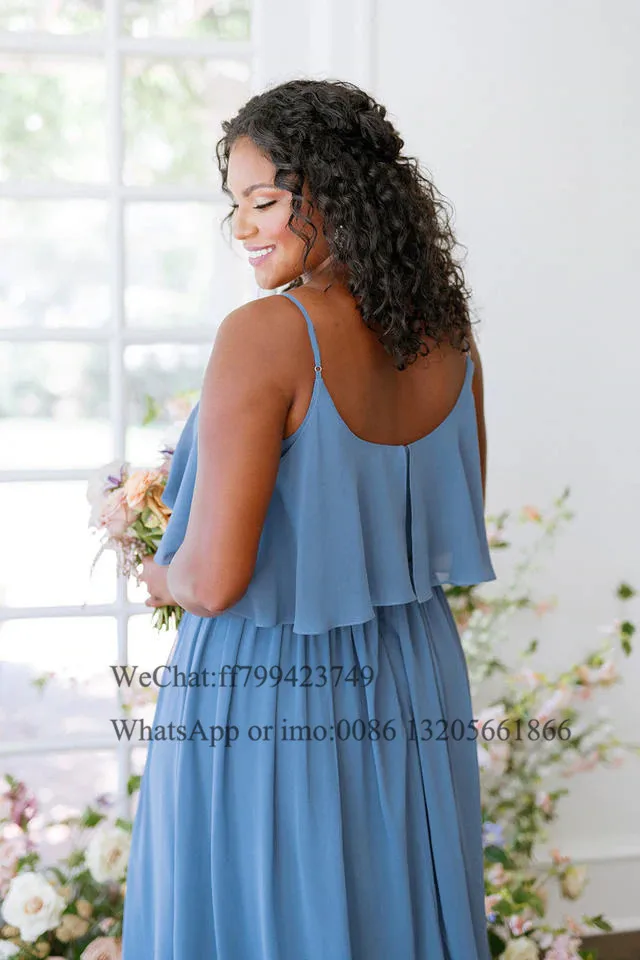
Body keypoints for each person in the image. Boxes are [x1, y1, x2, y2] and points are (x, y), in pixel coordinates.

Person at [122, 78, 496, 960]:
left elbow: (214, 581)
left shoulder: (265, 333)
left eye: (263, 202)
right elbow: (441, 526)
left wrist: (158, 570)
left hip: (273, 680)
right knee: (394, 907)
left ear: (334, 194)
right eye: (236, 207)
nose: (244, 229)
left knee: (267, 917)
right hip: (413, 674)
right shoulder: (449, 338)